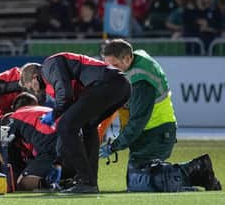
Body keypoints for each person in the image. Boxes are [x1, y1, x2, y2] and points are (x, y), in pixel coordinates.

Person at [101, 39, 221, 191]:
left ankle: (196, 170)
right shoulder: (134, 62)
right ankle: (195, 170)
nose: (112, 70)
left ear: (128, 58)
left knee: (141, 181)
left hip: (156, 134)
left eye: (115, 65)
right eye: (109, 65)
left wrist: (114, 146)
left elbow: (138, 121)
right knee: (137, 180)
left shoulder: (141, 82)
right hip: (154, 132)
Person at [19, 53, 131, 193]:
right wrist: (59, 160)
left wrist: (54, 114)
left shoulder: (49, 65)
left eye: (31, 87)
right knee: (88, 126)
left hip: (106, 84)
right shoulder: (52, 75)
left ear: (35, 77)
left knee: (65, 127)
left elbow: (65, 95)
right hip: (120, 86)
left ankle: (86, 180)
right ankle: (89, 182)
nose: (34, 92)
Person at [1, 92, 71, 190]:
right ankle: (69, 181)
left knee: (21, 182)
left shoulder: (15, 116)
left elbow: (4, 144)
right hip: (75, 140)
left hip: (51, 143)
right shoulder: (45, 110)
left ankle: (52, 185)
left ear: (14, 108)